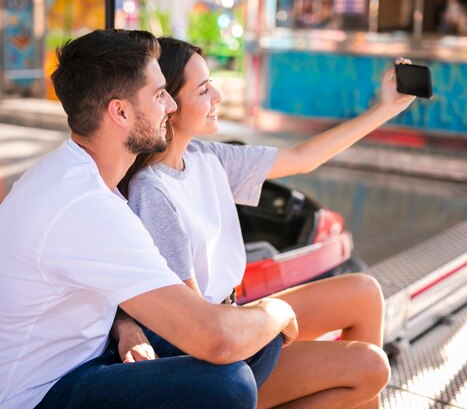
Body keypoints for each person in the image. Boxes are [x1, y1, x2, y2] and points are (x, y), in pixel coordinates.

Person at [0, 29, 299, 409]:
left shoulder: (76, 174)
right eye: (158, 95)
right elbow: (214, 337)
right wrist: (277, 310)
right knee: (229, 381)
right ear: (119, 111)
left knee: (254, 344)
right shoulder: (85, 205)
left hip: (74, 367)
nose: (170, 105)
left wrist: (124, 323)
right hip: (28, 399)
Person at [121, 37, 416, 409]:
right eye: (203, 88)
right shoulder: (153, 193)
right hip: (210, 357)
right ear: (169, 104)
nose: (218, 96)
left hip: (234, 315)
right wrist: (266, 319)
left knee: (364, 293)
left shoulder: (204, 156)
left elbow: (303, 156)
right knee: (369, 366)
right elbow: (195, 327)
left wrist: (386, 109)